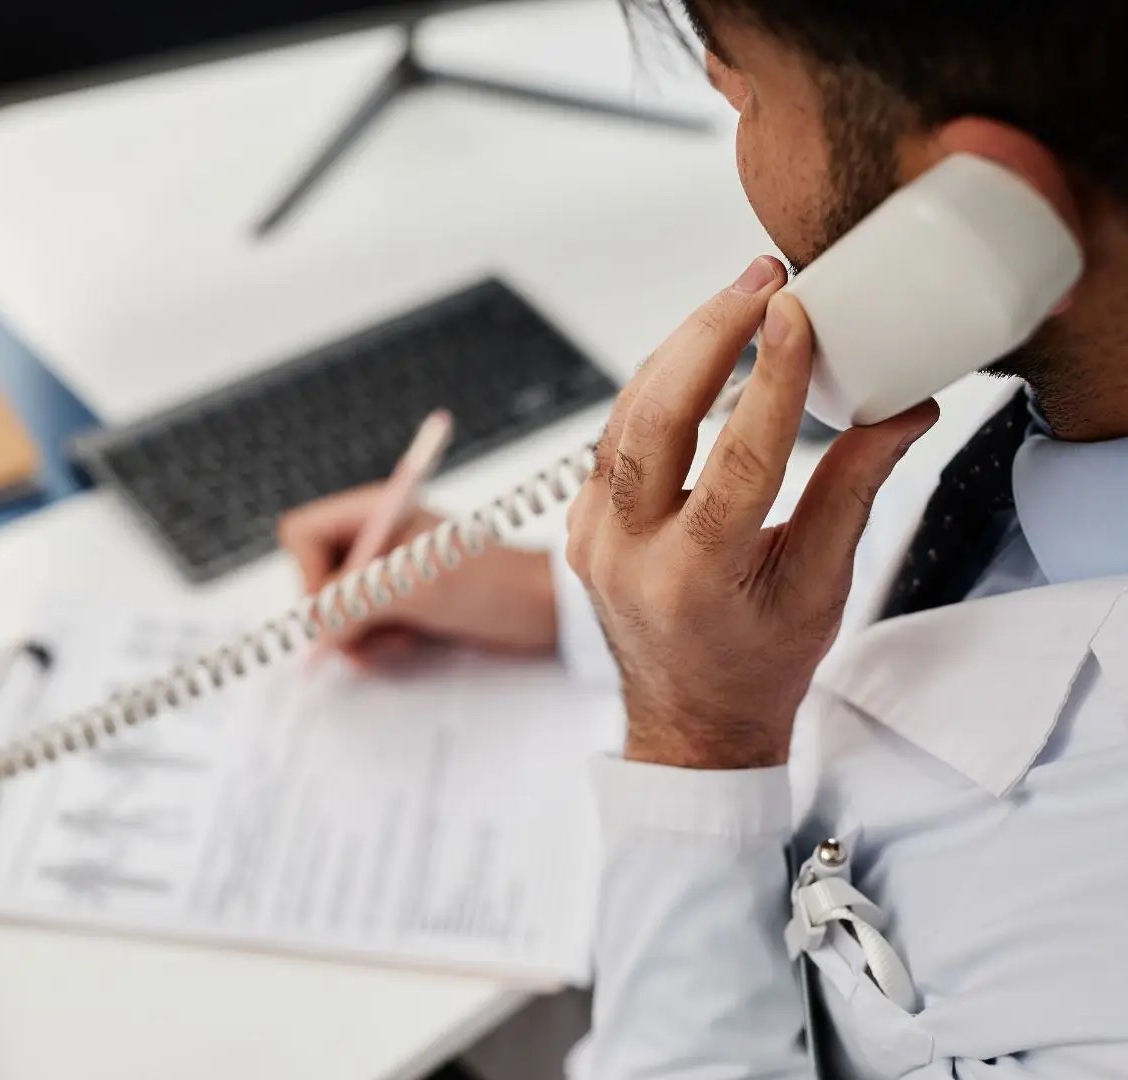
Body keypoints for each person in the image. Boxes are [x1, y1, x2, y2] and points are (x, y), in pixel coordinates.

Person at [279, 0, 1128, 1075]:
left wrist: (696, 745)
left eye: (745, 92)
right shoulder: (1074, 392)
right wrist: (573, 605)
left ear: (990, 204)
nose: (737, 126)